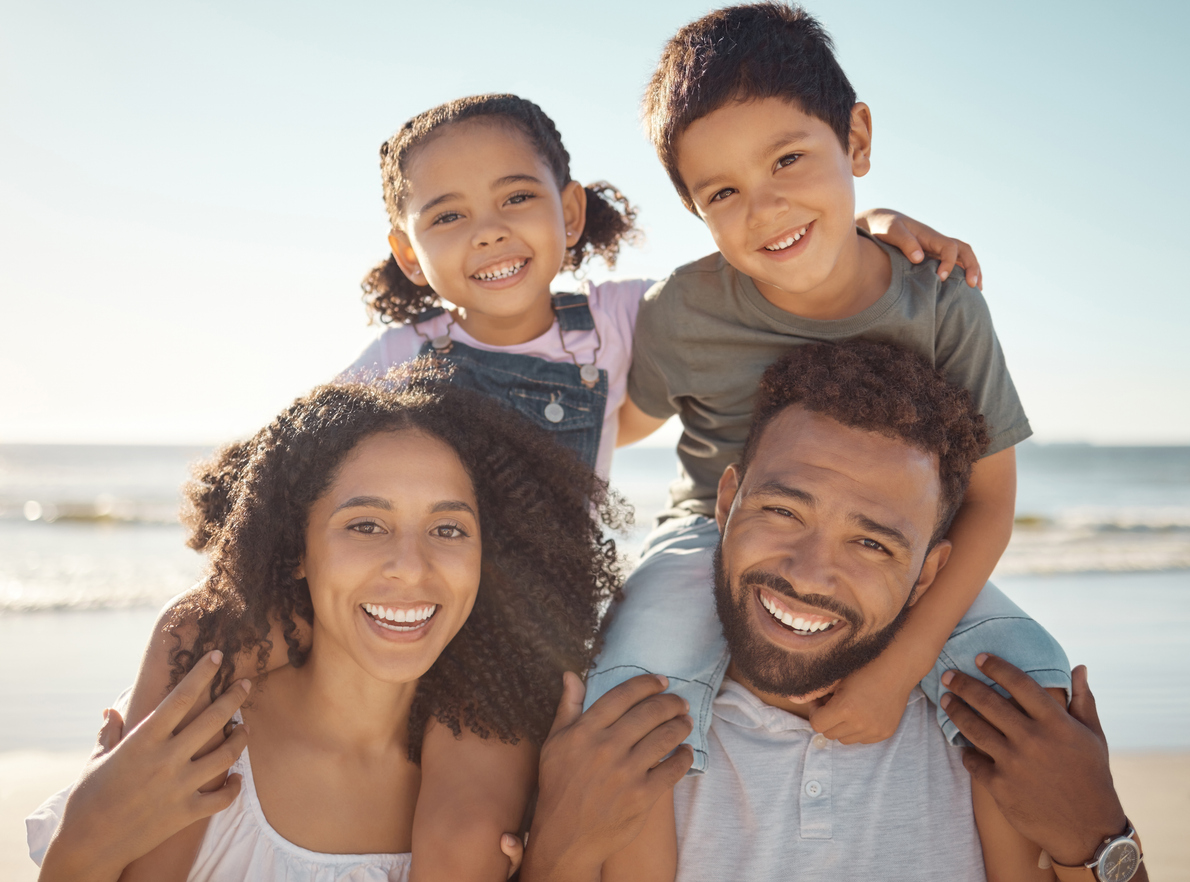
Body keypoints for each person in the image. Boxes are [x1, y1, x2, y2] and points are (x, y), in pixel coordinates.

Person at [78, 91, 983, 880]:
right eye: (448, 217)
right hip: (398, 579)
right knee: (193, 631)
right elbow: (295, 468)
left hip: (521, 630)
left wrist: (871, 226)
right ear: (406, 249)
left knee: (469, 838)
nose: (489, 231)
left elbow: (765, 265)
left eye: (516, 198)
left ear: (570, 207)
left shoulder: (619, 327)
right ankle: (125, 812)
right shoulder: (400, 357)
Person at [584, 2, 1070, 772]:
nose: (765, 209)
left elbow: (989, 504)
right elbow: (624, 422)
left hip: (893, 552)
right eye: (723, 194)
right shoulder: (683, 311)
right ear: (696, 209)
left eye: (787, 161)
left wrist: (897, 669)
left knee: (1029, 676)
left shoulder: (941, 304)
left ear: (856, 140)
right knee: (635, 697)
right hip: (709, 537)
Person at [522, 341, 1147, 882]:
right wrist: (552, 857)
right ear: (727, 502)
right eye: (784, 512)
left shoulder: (1002, 738)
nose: (808, 573)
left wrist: (1099, 836)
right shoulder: (607, 747)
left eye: (872, 544)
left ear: (929, 572)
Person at [28, 370, 627, 882]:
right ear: (297, 548)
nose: (410, 568)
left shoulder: (511, 788)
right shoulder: (198, 742)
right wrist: (83, 839)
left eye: (448, 530)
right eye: (366, 525)